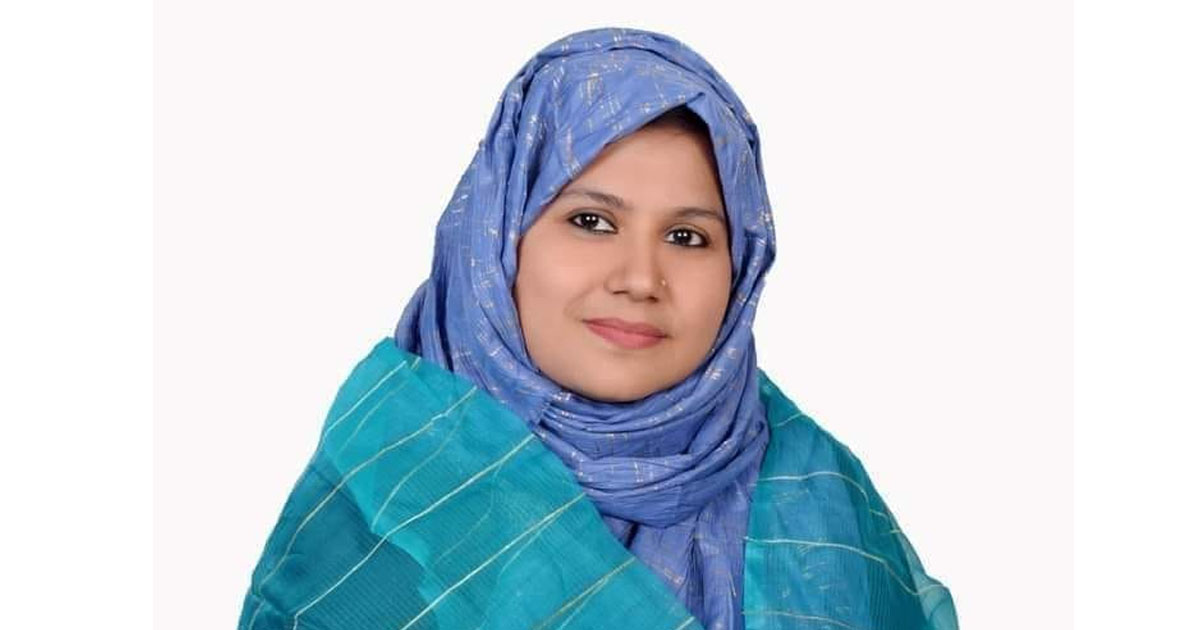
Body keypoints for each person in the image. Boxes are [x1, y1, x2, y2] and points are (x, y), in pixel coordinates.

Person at [238, 27, 958, 630]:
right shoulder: (390, 493)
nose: (641, 278)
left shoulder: (820, 503)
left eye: (687, 237)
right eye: (592, 221)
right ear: (497, 242)